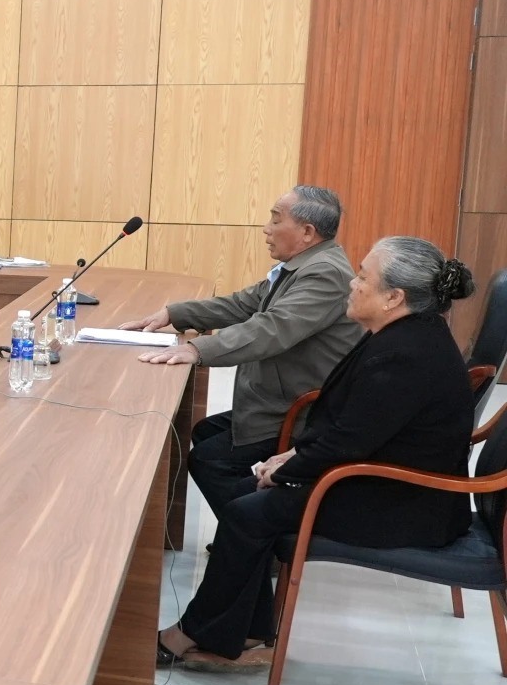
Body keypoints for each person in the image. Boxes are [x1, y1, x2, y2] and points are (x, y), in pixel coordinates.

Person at [156, 239, 476, 672]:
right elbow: (347, 426)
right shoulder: (405, 334)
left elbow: (350, 441)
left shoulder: (405, 355)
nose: (352, 283)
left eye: (363, 277)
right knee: (243, 503)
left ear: (393, 298)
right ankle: (239, 633)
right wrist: (292, 455)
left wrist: (287, 470)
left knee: (247, 512)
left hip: (403, 502)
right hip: (377, 478)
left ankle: (197, 634)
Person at [120, 188, 360, 518]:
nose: (266, 229)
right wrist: (174, 314)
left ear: (307, 232)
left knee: (210, 461)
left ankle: (257, 530)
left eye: (276, 220)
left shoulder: (324, 274)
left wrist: (196, 349)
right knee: (204, 433)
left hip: (298, 411)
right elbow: (242, 304)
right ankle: (249, 524)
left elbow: (271, 328)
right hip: (275, 399)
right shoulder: (304, 265)